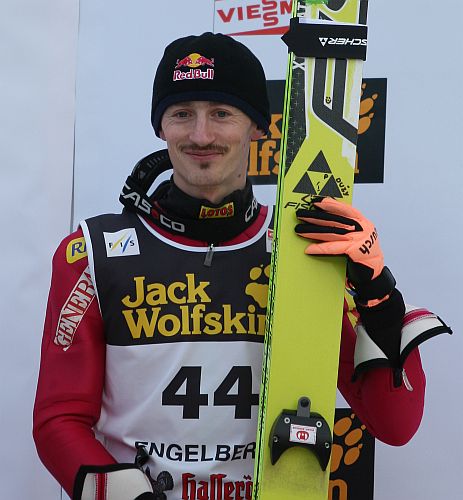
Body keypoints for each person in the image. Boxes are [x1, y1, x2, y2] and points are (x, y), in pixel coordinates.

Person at [33, 32, 450, 500]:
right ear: (160, 127)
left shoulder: (305, 249)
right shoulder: (93, 251)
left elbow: (394, 423)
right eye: (181, 113)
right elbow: (59, 419)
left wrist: (379, 296)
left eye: (221, 113)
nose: (201, 135)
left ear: (257, 126)